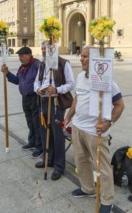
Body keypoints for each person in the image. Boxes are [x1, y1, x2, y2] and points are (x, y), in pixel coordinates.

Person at [64, 46, 124, 213]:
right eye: (81, 56)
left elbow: (120, 105)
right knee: (81, 161)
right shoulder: (81, 76)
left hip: (96, 131)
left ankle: (107, 200)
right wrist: (69, 117)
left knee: (102, 167)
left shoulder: (106, 80)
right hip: (78, 127)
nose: (81, 59)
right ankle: (87, 188)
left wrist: (108, 123)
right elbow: (77, 98)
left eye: (85, 56)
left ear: (96, 59)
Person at [34, 41, 75, 180]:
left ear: (54, 50)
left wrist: (57, 89)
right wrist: (38, 89)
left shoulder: (63, 63)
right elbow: (36, 82)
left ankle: (59, 166)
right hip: (44, 100)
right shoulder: (42, 64)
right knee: (46, 132)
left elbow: (71, 84)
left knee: (57, 135)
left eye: (46, 49)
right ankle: (49, 160)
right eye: (42, 49)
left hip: (57, 102)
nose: (44, 51)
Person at [1, 46, 43, 158]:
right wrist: (7, 73)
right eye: (19, 56)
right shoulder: (22, 67)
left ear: (29, 55)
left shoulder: (37, 65)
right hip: (25, 98)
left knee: (37, 124)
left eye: (22, 55)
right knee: (30, 122)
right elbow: (17, 81)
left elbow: (44, 80)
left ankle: (40, 147)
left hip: (35, 98)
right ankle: (32, 142)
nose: (20, 58)